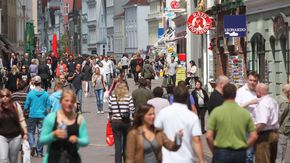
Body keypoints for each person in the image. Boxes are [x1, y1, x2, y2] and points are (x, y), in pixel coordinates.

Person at [206, 83, 258, 163]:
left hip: (222, 151)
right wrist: (245, 147)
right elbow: (254, 136)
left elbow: (209, 136)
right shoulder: (244, 113)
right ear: (235, 94)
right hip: (239, 152)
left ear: (223, 93)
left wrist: (214, 151)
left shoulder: (216, 112)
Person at [155, 85, 205, 163]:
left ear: (173, 96)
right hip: (186, 159)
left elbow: (155, 133)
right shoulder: (192, 116)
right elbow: (197, 140)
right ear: (187, 98)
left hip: (167, 158)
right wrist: (202, 160)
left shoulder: (163, 112)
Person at [40, 89, 89, 163]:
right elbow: (42, 140)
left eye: (72, 101)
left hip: (73, 158)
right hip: (53, 158)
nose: (69, 103)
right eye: (66, 100)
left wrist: (78, 140)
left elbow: (85, 140)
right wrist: (53, 135)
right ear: (60, 101)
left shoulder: (79, 119)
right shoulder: (51, 118)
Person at [235, 71, 259, 163]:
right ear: (247, 80)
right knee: (248, 154)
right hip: (246, 127)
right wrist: (249, 102)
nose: (252, 83)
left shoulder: (258, 90)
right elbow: (235, 108)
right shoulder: (240, 92)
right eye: (251, 80)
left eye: (255, 81)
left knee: (259, 154)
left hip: (258, 127)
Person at [108, 82, 135, 163]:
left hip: (115, 121)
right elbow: (132, 109)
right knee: (126, 144)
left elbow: (110, 110)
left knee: (117, 145)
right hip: (126, 122)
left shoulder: (112, 97)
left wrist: (110, 119)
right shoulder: (128, 97)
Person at [24, 76, 50, 157]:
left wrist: (25, 112)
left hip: (32, 115)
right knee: (41, 133)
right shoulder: (45, 94)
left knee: (30, 131)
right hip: (42, 115)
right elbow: (48, 106)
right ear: (40, 82)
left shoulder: (30, 93)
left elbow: (26, 105)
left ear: (34, 83)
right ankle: (39, 152)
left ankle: (32, 144)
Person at [0, 88, 28, 163]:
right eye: (2, 96)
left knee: (13, 159)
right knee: (3, 159)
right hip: (2, 136)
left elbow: (21, 119)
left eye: (7, 96)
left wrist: (25, 133)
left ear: (10, 97)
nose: (5, 98)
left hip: (15, 136)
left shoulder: (15, 106)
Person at [254, 83, 279, 163]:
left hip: (265, 135)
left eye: (256, 91)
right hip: (274, 133)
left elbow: (262, 123)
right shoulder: (273, 101)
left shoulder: (263, 103)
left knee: (262, 160)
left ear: (259, 92)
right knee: (272, 160)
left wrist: (254, 132)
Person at [275, 84, 290, 163]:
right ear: (288, 91)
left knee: (278, 152)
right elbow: (280, 117)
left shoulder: (278, 97)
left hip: (280, 129)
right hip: (282, 130)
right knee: (280, 153)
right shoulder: (285, 102)